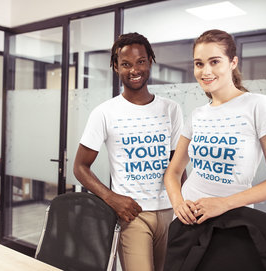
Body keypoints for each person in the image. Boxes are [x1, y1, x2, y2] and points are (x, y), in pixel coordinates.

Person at [73, 32, 184, 271]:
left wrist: (184, 205)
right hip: (133, 215)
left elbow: (178, 166)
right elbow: (80, 167)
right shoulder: (104, 112)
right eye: (126, 64)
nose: (134, 70)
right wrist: (111, 197)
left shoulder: (171, 110)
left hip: (170, 211)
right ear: (116, 67)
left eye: (140, 62)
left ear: (150, 62)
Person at [164, 29, 266, 226]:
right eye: (199, 64)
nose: (205, 71)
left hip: (233, 221)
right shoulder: (196, 115)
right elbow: (173, 173)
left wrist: (224, 204)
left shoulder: (257, 105)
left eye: (214, 62)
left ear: (233, 62)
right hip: (188, 222)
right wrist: (178, 203)